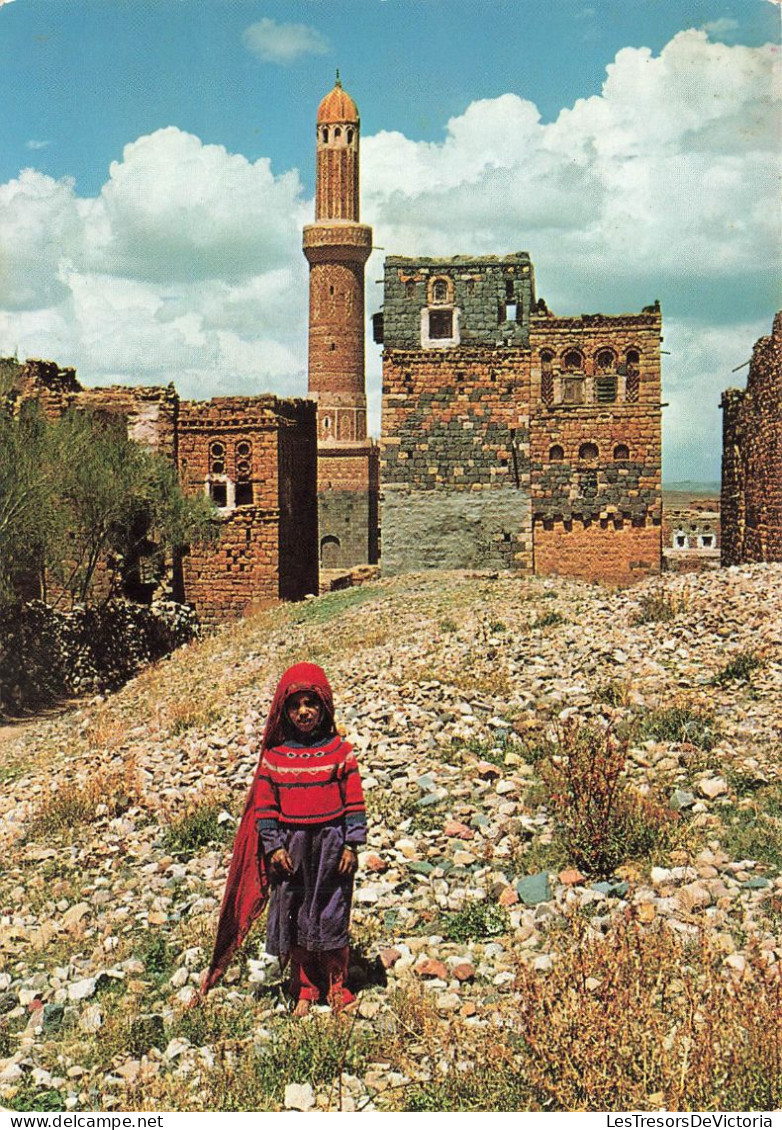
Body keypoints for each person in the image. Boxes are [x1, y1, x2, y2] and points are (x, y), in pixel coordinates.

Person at [199, 663, 366, 1016]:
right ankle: (304, 988)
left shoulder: (341, 752)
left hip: (331, 847)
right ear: (284, 712)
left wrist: (352, 844)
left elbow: (353, 801)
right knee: (298, 914)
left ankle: (337, 986)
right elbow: (265, 807)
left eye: (311, 703)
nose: (303, 712)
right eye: (295, 705)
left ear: (324, 707)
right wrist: (273, 846)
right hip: (292, 851)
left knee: (332, 912)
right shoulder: (274, 760)